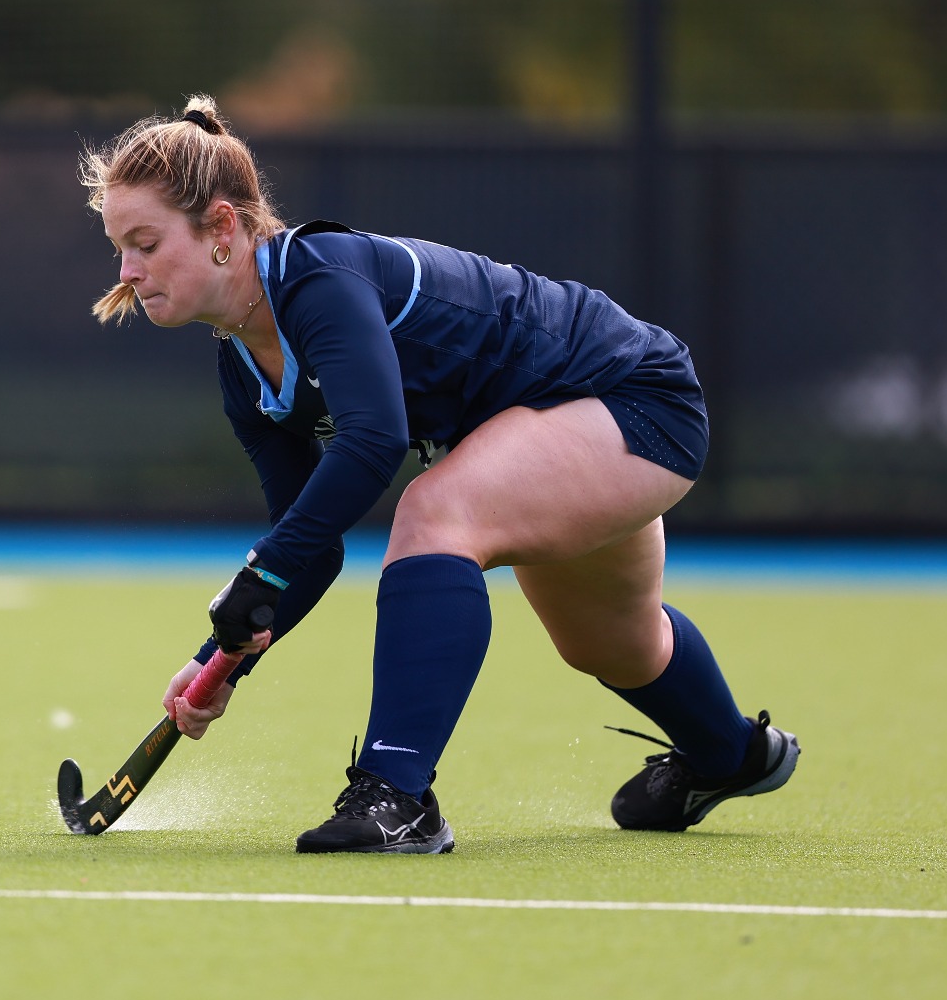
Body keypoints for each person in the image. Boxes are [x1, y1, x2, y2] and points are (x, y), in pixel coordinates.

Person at [81, 97, 800, 855]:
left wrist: (261, 574)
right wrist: (218, 661)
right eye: (120, 248)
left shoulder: (314, 281)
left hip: (632, 398)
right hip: (538, 429)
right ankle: (735, 756)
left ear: (222, 228)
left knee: (437, 512)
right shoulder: (244, 368)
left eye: (146, 242)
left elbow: (374, 441)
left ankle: (397, 796)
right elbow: (311, 543)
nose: (128, 271)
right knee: (608, 641)